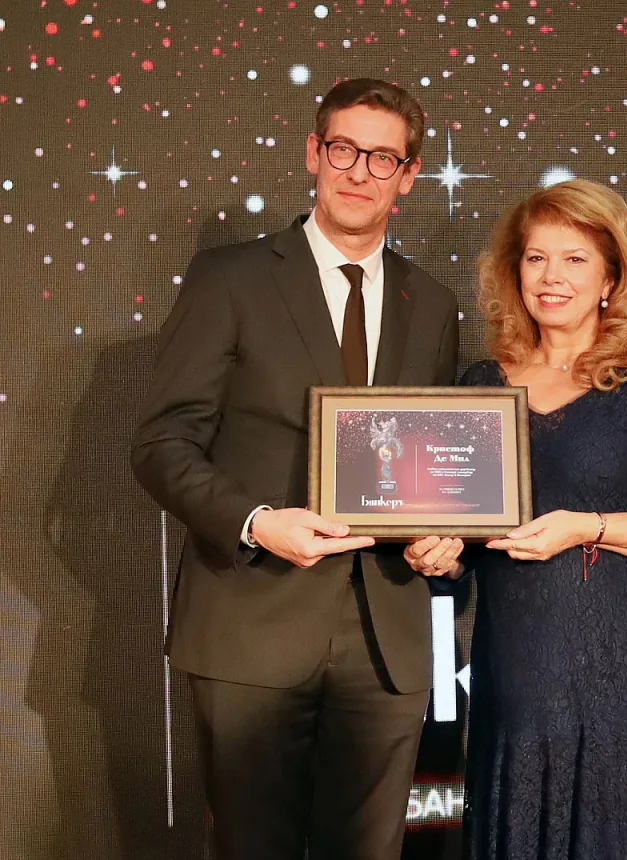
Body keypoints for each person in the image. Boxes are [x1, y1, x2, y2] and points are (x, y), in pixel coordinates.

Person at [130, 78, 460, 860]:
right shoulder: (230, 278)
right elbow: (162, 443)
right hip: (251, 621)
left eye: (383, 158)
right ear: (314, 153)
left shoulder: (432, 302)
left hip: (387, 639)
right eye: (344, 149)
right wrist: (256, 522)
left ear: (409, 175)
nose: (359, 172)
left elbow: (429, 464)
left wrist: (443, 533)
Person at [404, 179, 627, 859]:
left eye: (575, 259)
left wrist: (586, 527)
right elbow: (466, 542)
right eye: (536, 258)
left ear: (610, 277)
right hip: (519, 668)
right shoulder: (480, 385)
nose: (552, 276)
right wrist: (441, 555)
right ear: (514, 271)